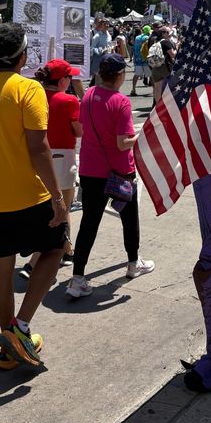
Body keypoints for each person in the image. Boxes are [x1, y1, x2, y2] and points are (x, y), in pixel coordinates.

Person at [0, 23, 68, 370]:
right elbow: (39, 148)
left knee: (1, 266)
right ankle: (20, 329)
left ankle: (9, 342)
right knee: (55, 249)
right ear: (23, 56)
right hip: (29, 194)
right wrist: (58, 197)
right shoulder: (29, 89)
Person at [66, 53, 154, 298]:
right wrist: (142, 134)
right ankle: (133, 263)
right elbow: (123, 143)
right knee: (129, 218)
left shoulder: (88, 96)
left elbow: (83, 129)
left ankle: (77, 278)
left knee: (89, 223)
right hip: (119, 171)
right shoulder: (121, 101)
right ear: (119, 76)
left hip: (91, 170)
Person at [18, 58, 83, 279]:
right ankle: (34, 261)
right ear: (62, 79)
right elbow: (78, 131)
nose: (72, 80)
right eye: (70, 77)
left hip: (36, 156)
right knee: (62, 208)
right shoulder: (69, 101)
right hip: (62, 156)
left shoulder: (31, 96)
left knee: (52, 207)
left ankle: (67, 249)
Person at [89, 17, 113, 84]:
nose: (107, 25)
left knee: (106, 79)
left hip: (107, 59)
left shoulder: (109, 35)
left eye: (108, 24)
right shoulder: (97, 36)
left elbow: (110, 46)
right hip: (98, 60)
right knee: (98, 79)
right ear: (101, 25)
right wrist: (100, 50)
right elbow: (92, 48)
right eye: (105, 24)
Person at [130, 25, 151, 96]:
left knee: (137, 74)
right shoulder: (147, 38)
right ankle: (155, 91)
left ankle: (133, 89)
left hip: (137, 58)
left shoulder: (137, 37)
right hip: (145, 58)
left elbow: (134, 47)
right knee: (151, 75)